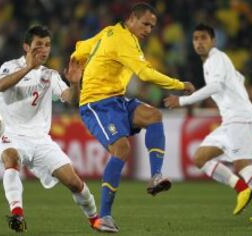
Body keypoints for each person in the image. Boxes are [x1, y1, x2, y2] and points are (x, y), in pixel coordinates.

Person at [71, 2, 195, 232]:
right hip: (96, 104)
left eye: (152, 26)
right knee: (122, 148)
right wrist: (179, 85)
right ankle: (104, 216)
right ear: (132, 19)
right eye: (145, 24)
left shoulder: (112, 31)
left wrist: (76, 62)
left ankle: (156, 176)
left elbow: (80, 48)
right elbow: (145, 74)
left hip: (117, 100)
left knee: (153, 115)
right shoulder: (123, 40)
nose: (149, 29)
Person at [164, 23, 252, 220]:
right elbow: (240, 78)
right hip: (231, 120)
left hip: (240, 118)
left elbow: (216, 86)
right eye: (196, 39)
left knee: (242, 165)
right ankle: (242, 188)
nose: (199, 42)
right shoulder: (213, 62)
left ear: (213, 41)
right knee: (200, 158)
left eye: (204, 38)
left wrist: (182, 100)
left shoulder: (216, 58)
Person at [0, 25, 99, 233]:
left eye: (47, 45)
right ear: (26, 47)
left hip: (40, 140)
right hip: (10, 133)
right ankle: (17, 213)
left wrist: (75, 84)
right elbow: (1, 86)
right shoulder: (11, 66)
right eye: (38, 45)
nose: (44, 49)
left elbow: (71, 99)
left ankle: (95, 219)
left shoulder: (50, 75)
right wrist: (28, 68)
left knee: (74, 183)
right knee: (11, 158)